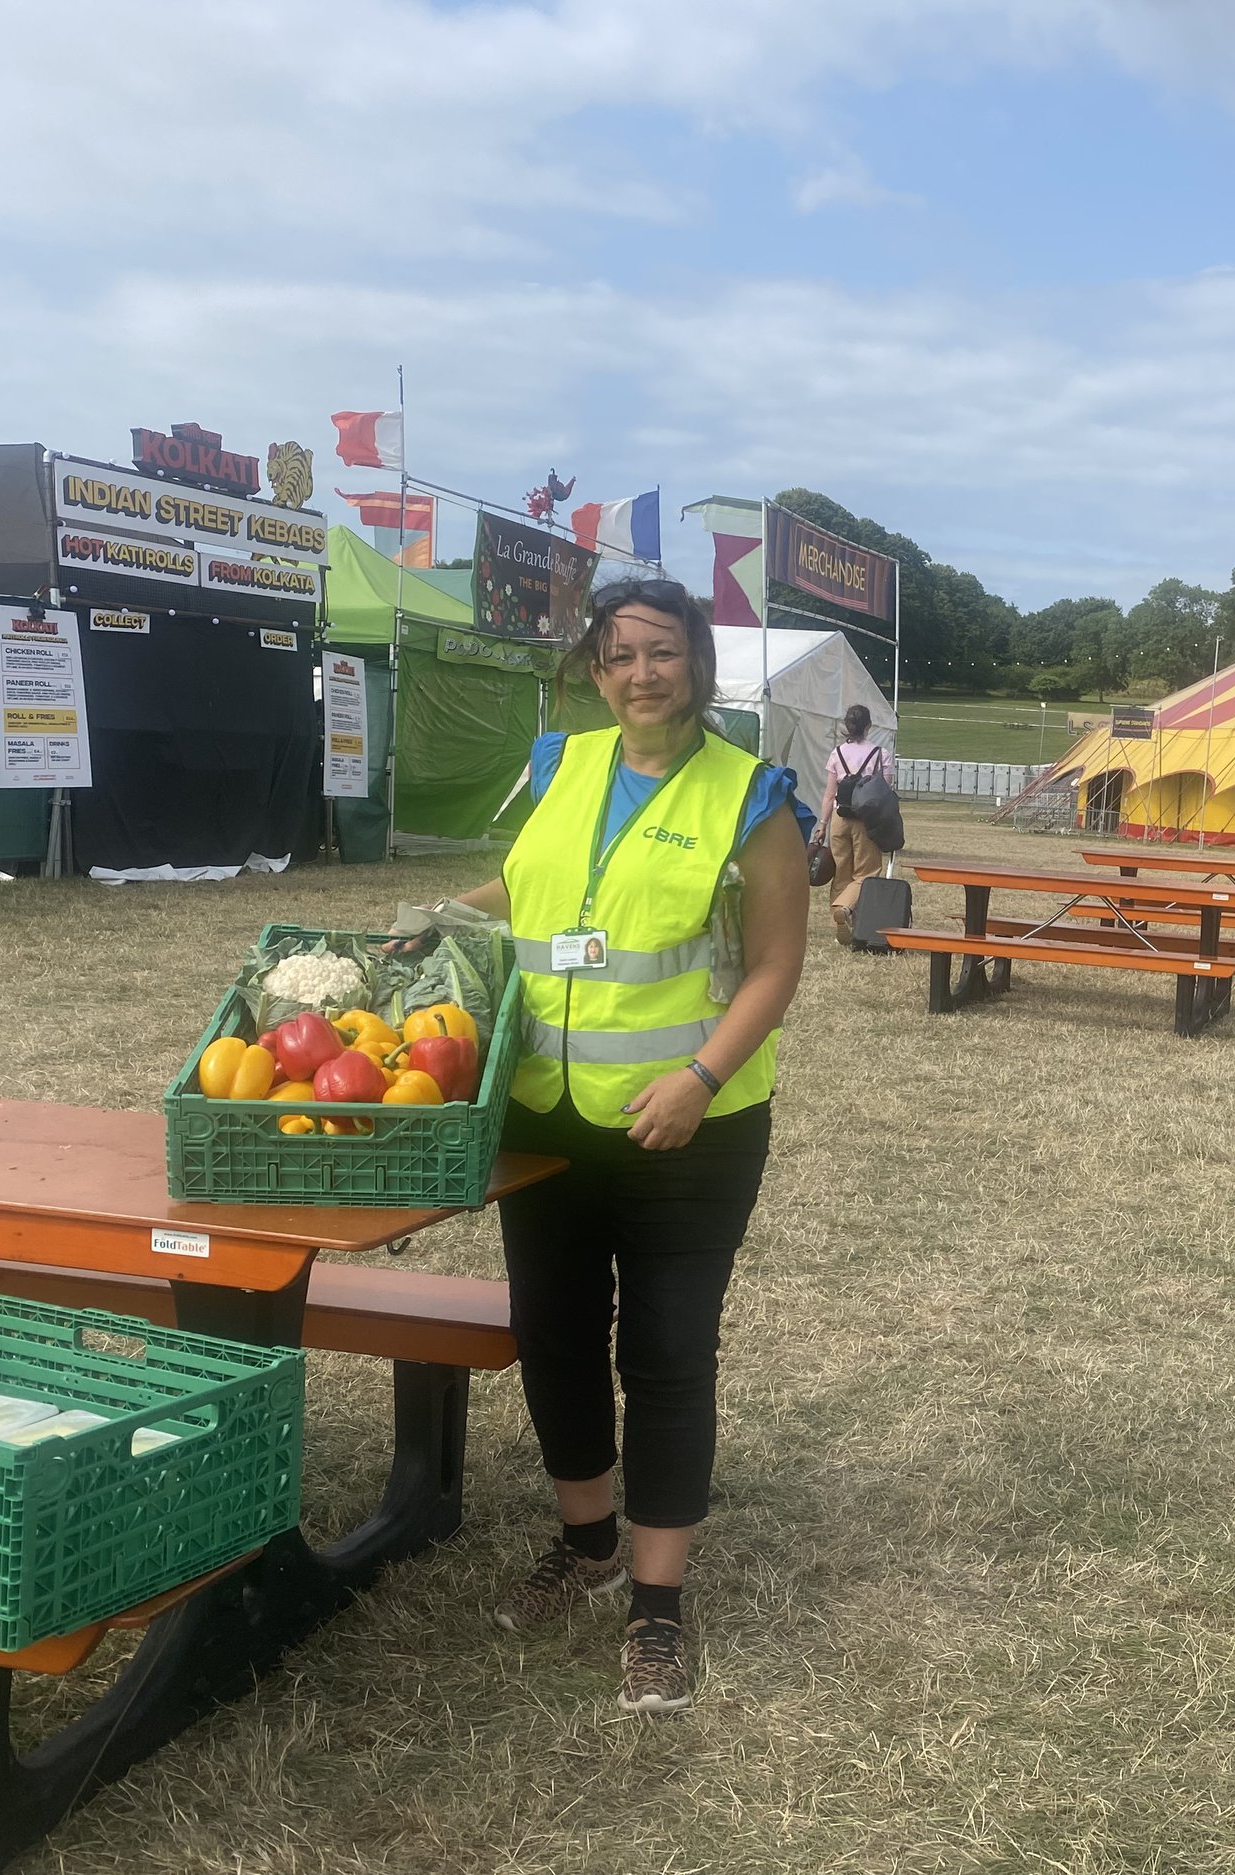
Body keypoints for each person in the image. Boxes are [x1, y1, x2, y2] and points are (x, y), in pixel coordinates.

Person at [436, 577, 811, 1715]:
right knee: (551, 1335)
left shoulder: (754, 797)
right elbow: (531, 884)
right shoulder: (561, 765)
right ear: (591, 673)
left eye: (659, 651)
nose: (639, 673)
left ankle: (656, 1607)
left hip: (687, 1129)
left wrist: (699, 1080)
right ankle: (587, 1543)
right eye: (615, 656)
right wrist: (448, 913)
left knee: (665, 1354)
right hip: (545, 1116)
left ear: (697, 660)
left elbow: (774, 966)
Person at [817, 704, 890, 945]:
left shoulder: (836, 754)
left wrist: (822, 824)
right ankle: (845, 909)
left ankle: (840, 930)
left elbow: (829, 794)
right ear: (869, 726)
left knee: (842, 871)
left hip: (840, 817)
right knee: (866, 873)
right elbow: (884, 794)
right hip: (866, 820)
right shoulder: (881, 755)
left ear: (847, 727)